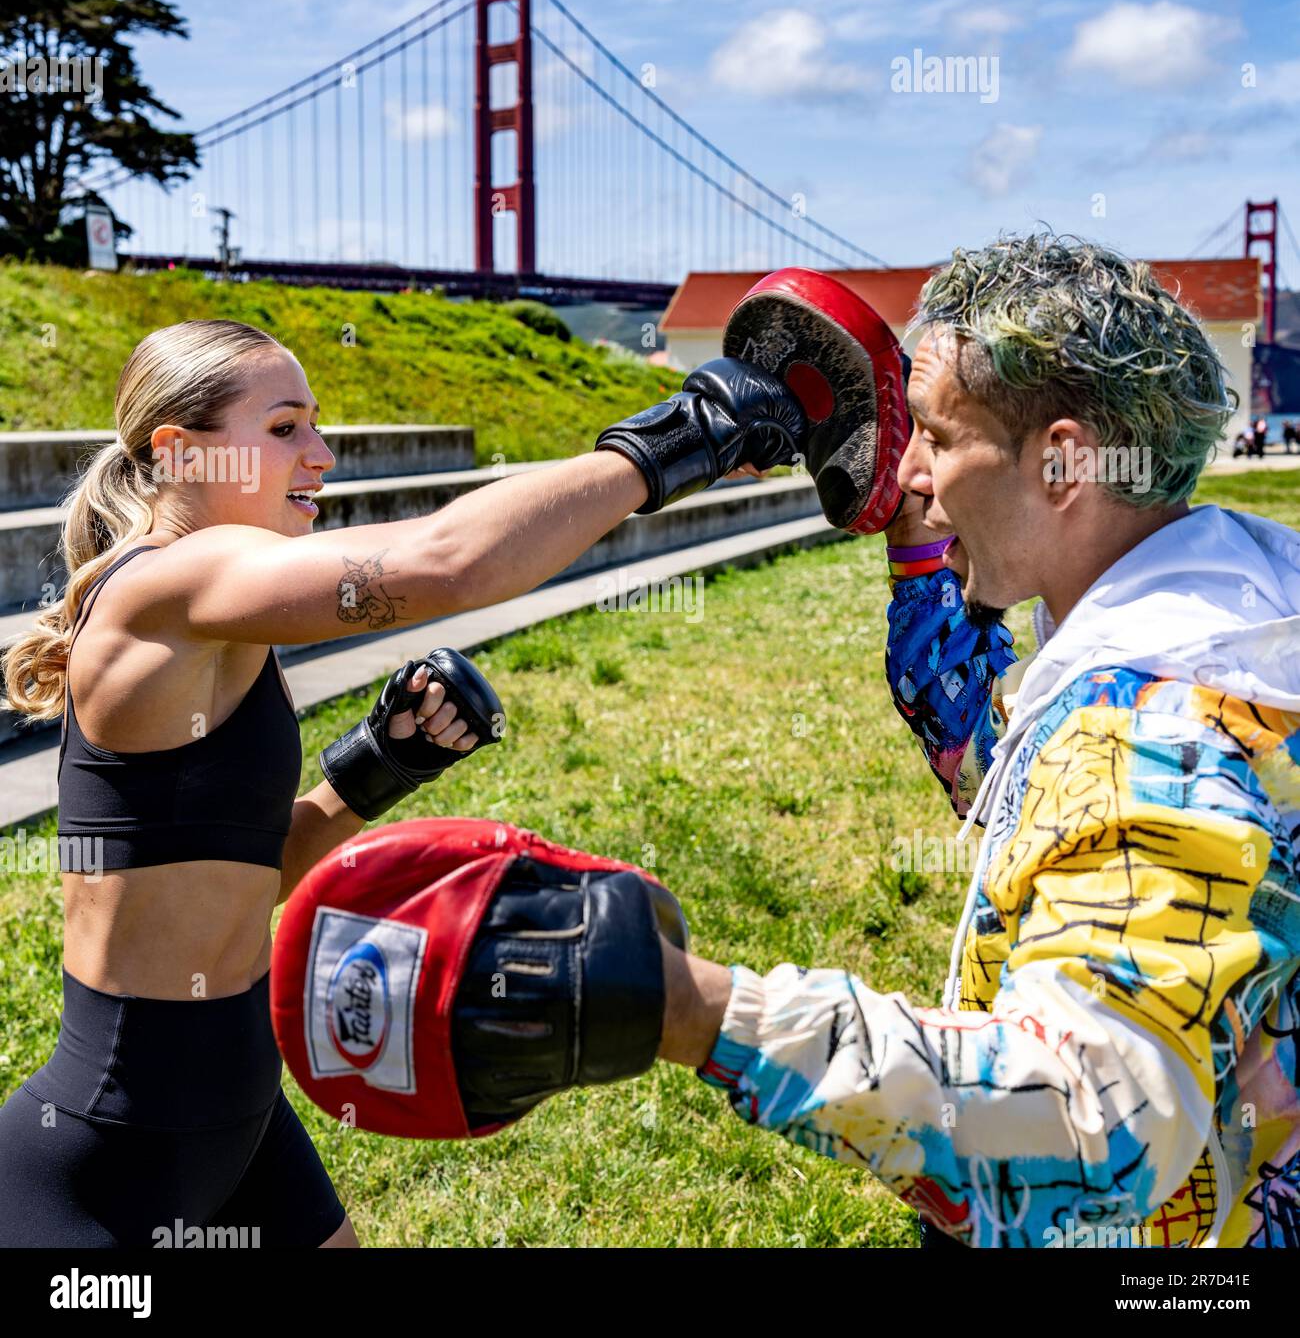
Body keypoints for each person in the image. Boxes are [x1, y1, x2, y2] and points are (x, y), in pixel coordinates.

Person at [335, 235, 1299, 1248]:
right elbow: (998, 768)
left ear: (1061, 460)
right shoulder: (1214, 605)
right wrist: (907, 529)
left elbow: (1083, 1128)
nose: (913, 473)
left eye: (932, 437)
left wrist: (692, 1008)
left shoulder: (1158, 731)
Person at [0, 318, 804, 1247]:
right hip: (107, 1155)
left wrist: (376, 766)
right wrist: (684, 435)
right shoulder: (161, 591)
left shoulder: (220, 620)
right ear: (182, 455)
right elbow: (449, 562)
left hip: (239, 1116)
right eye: (286, 429)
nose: (323, 455)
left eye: (316, 427)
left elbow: (238, 880)